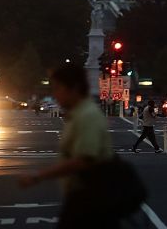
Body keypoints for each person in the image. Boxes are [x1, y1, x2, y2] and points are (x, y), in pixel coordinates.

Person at [19, 64, 116, 228]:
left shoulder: (88, 116)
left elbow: (84, 160)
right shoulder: (77, 114)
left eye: (58, 88)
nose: (55, 94)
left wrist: (38, 176)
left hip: (91, 199)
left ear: (75, 88)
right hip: (82, 197)